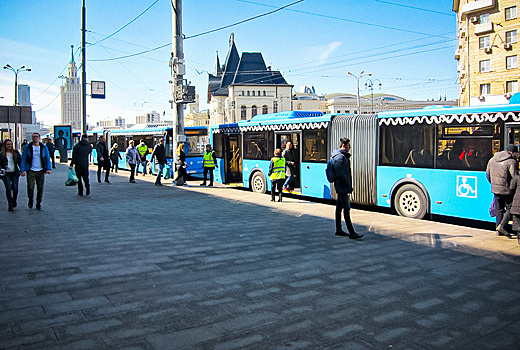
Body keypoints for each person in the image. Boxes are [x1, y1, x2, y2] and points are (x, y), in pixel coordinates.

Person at [331, 138, 363, 239]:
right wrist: (348, 186)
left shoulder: (341, 156)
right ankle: (352, 232)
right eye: (349, 145)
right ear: (344, 146)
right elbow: (341, 174)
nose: (350, 147)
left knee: (339, 207)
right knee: (346, 209)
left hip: (341, 186)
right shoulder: (341, 157)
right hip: (342, 187)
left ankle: (339, 229)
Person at [486, 144, 518, 237]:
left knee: (499, 209)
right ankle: (502, 226)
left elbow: (488, 174)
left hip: (495, 189)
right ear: (512, 152)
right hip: (507, 189)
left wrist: (494, 184)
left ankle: (498, 230)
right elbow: (514, 177)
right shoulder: (511, 161)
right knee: (511, 208)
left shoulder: (492, 160)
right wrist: (512, 188)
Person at [20, 132, 52, 211]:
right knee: (30, 187)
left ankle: (38, 203)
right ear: (32, 138)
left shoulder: (43, 147)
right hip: (31, 170)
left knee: (40, 187)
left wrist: (48, 169)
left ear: (39, 138)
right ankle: (30, 200)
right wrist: (22, 170)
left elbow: (47, 158)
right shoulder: (27, 147)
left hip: (41, 170)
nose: (35, 138)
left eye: (36, 137)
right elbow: (23, 159)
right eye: (33, 137)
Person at [0, 139, 21, 211]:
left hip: (14, 173)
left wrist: (22, 170)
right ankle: (10, 204)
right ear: (5, 145)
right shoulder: (1, 154)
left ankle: (14, 199)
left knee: (15, 188)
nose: (9, 146)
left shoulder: (15, 153)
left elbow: (19, 162)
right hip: (6, 174)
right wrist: (1, 169)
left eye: (10, 144)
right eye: (8, 144)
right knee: (8, 188)